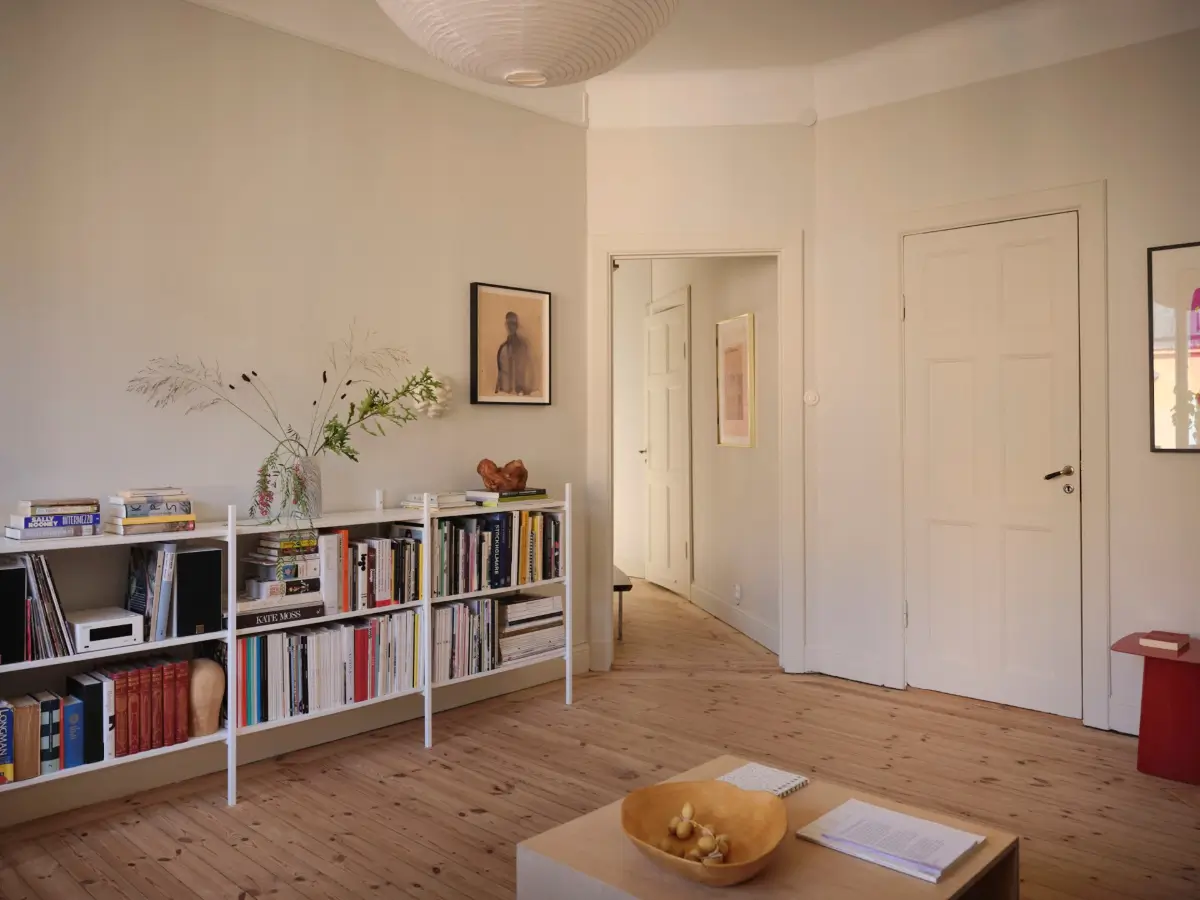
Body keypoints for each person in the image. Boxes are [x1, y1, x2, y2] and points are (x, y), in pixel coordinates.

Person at [496, 311, 534, 395]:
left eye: (513, 324)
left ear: (517, 326)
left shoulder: (523, 346)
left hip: (520, 393)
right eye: (509, 324)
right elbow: (500, 373)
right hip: (505, 393)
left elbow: (528, 369)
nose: (510, 327)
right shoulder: (502, 349)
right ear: (506, 325)